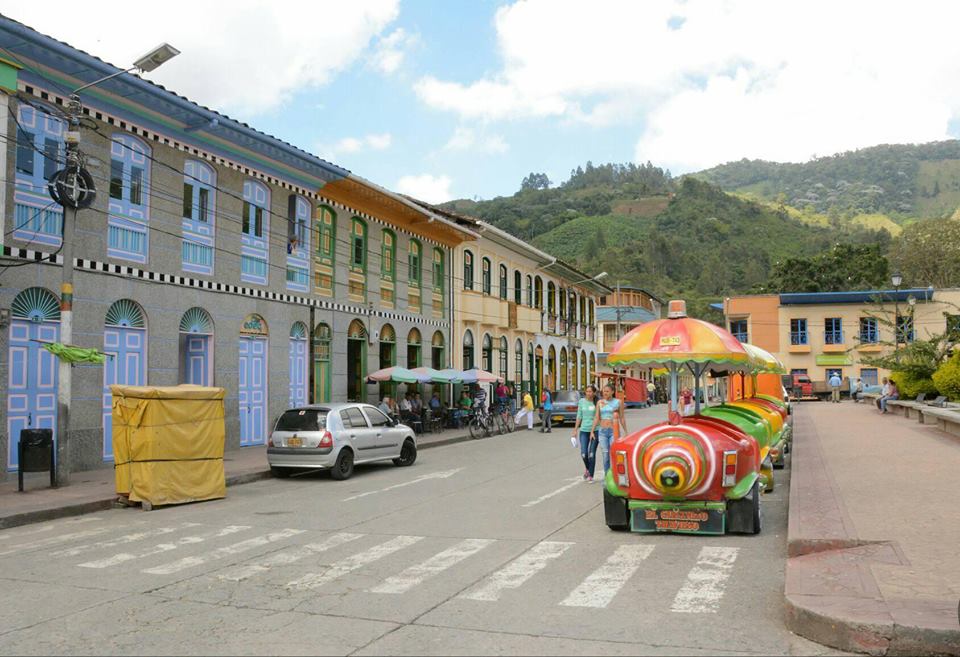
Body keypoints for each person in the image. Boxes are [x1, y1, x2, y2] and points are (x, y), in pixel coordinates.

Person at [595, 384, 628, 474]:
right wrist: (592, 431)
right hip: (602, 432)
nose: (605, 393)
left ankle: (615, 474)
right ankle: (607, 475)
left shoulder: (618, 402)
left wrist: (626, 431)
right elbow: (597, 417)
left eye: (607, 391)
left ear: (612, 392)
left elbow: (622, 417)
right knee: (605, 454)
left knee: (613, 453)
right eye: (604, 391)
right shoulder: (600, 402)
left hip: (614, 431)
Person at [573, 385, 599, 481]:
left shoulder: (597, 402)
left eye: (590, 391)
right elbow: (579, 416)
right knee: (584, 453)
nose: (588, 393)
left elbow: (598, 417)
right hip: (584, 430)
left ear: (594, 393)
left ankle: (591, 475)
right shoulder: (581, 402)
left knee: (591, 454)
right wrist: (575, 430)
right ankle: (588, 469)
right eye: (587, 391)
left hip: (595, 431)